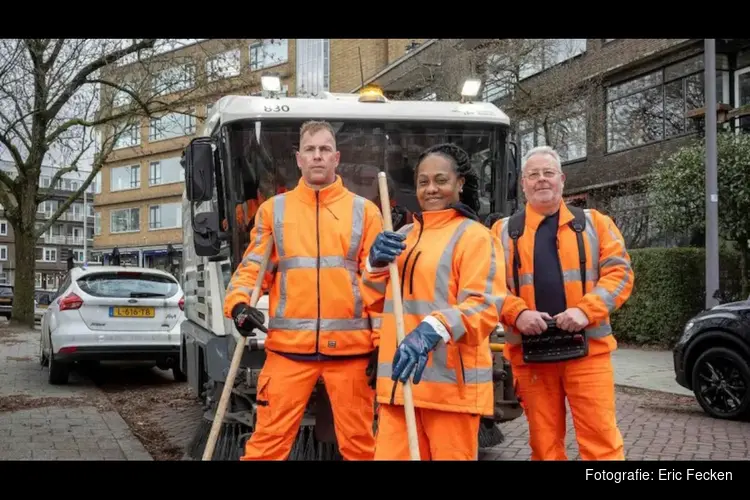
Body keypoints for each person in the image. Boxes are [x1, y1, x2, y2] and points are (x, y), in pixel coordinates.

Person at [223, 120, 384, 461]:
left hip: (351, 355)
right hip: (288, 353)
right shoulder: (274, 211)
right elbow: (253, 267)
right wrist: (238, 304)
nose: (317, 157)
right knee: (267, 445)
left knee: (362, 447)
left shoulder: (364, 212)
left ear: (336, 157)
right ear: (299, 158)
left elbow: (379, 284)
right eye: (310, 150)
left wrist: (381, 344)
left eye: (325, 149)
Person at [360, 143, 507, 460]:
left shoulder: (476, 237)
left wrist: (431, 330)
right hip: (401, 389)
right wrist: (374, 265)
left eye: (440, 179)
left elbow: (484, 306)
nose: (431, 188)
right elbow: (373, 302)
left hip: (451, 391)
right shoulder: (403, 237)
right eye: (423, 181)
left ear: (459, 183)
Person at [490, 145, 634, 461]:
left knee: (601, 442)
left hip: (588, 353)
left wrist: (585, 310)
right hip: (531, 356)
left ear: (562, 180)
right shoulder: (501, 232)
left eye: (548, 173)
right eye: (534, 175)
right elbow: (486, 287)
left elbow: (620, 274)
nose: (542, 180)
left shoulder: (596, 224)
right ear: (523, 184)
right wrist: (518, 313)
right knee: (544, 446)